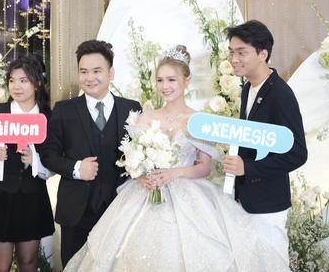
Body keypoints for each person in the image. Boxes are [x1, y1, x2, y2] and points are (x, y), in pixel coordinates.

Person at [64, 45, 289, 271]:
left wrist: (175, 173)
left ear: (186, 80)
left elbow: (205, 167)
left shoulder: (198, 120)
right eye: (160, 80)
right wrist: (141, 176)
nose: (165, 86)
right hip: (144, 196)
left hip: (189, 195)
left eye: (171, 80)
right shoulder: (146, 117)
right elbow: (132, 160)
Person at [39, 40, 142, 267]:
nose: (90, 77)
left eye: (97, 71)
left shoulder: (132, 108)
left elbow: (142, 153)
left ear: (110, 73)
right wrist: (76, 168)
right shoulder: (64, 110)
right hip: (76, 214)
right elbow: (48, 154)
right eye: (83, 71)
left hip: (120, 210)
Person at [223, 20, 308, 265]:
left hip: (268, 203)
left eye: (241, 52)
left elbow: (298, 153)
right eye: (231, 52)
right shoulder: (248, 88)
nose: (234, 59)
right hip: (247, 199)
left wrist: (247, 168)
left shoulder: (280, 94)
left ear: (263, 54)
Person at [0, 55, 55, 272]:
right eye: (12, 80)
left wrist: (35, 161)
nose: (16, 86)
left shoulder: (48, 118)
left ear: (38, 83)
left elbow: (54, 162)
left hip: (32, 196)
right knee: (0, 265)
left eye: (23, 80)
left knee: (28, 261)